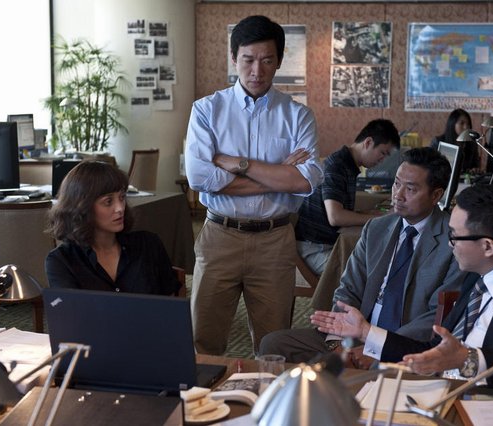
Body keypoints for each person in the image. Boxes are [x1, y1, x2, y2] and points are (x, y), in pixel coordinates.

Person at [312, 184, 493, 389]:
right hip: (436, 389)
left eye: (454, 236)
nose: (449, 244)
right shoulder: (477, 280)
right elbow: (436, 351)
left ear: (487, 246)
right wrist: (367, 332)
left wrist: (467, 359)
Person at [184, 15, 324, 355]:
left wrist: (239, 164)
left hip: (275, 240)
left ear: (279, 60)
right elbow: (200, 178)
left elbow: (305, 180)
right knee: (202, 342)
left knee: (274, 345)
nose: (257, 71)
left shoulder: (298, 116)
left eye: (267, 60)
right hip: (220, 236)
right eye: (248, 60)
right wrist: (278, 174)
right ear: (234, 58)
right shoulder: (206, 110)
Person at [260, 147, 465, 363]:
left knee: (363, 368)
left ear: (436, 195)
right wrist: (339, 342)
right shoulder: (376, 228)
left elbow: (435, 317)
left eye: (411, 189)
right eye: (397, 184)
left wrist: (379, 347)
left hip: (404, 345)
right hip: (355, 334)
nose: (398, 195)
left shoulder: (454, 242)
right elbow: (348, 289)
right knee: (273, 344)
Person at [45, 161, 180, 295]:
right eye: (108, 201)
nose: (120, 208)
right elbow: (69, 308)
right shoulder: (61, 260)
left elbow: (171, 300)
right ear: (82, 207)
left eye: (122, 197)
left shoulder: (148, 244)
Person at [295, 119, 400, 275]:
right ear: (368, 142)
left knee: (378, 262)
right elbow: (336, 217)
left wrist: (376, 213)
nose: (382, 160)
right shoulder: (337, 165)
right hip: (314, 249)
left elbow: (342, 211)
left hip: (327, 244)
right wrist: (380, 217)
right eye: (382, 153)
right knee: (368, 273)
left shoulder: (347, 165)